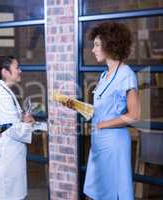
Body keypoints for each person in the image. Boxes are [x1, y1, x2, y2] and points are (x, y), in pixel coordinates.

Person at [82, 22, 140, 199]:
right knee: (98, 192)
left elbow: (135, 115)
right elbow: (104, 108)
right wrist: (81, 107)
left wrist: (102, 124)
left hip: (114, 144)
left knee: (112, 193)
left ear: (110, 45)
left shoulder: (126, 74)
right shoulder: (104, 74)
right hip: (99, 142)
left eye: (97, 45)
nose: (93, 50)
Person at [0, 55, 35, 200]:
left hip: (12, 155)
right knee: (7, 194)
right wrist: (26, 123)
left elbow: (12, 121)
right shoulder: (2, 95)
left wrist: (24, 118)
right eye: (17, 68)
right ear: (5, 72)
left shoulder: (7, 92)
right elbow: (13, 129)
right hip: (7, 157)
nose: (20, 71)